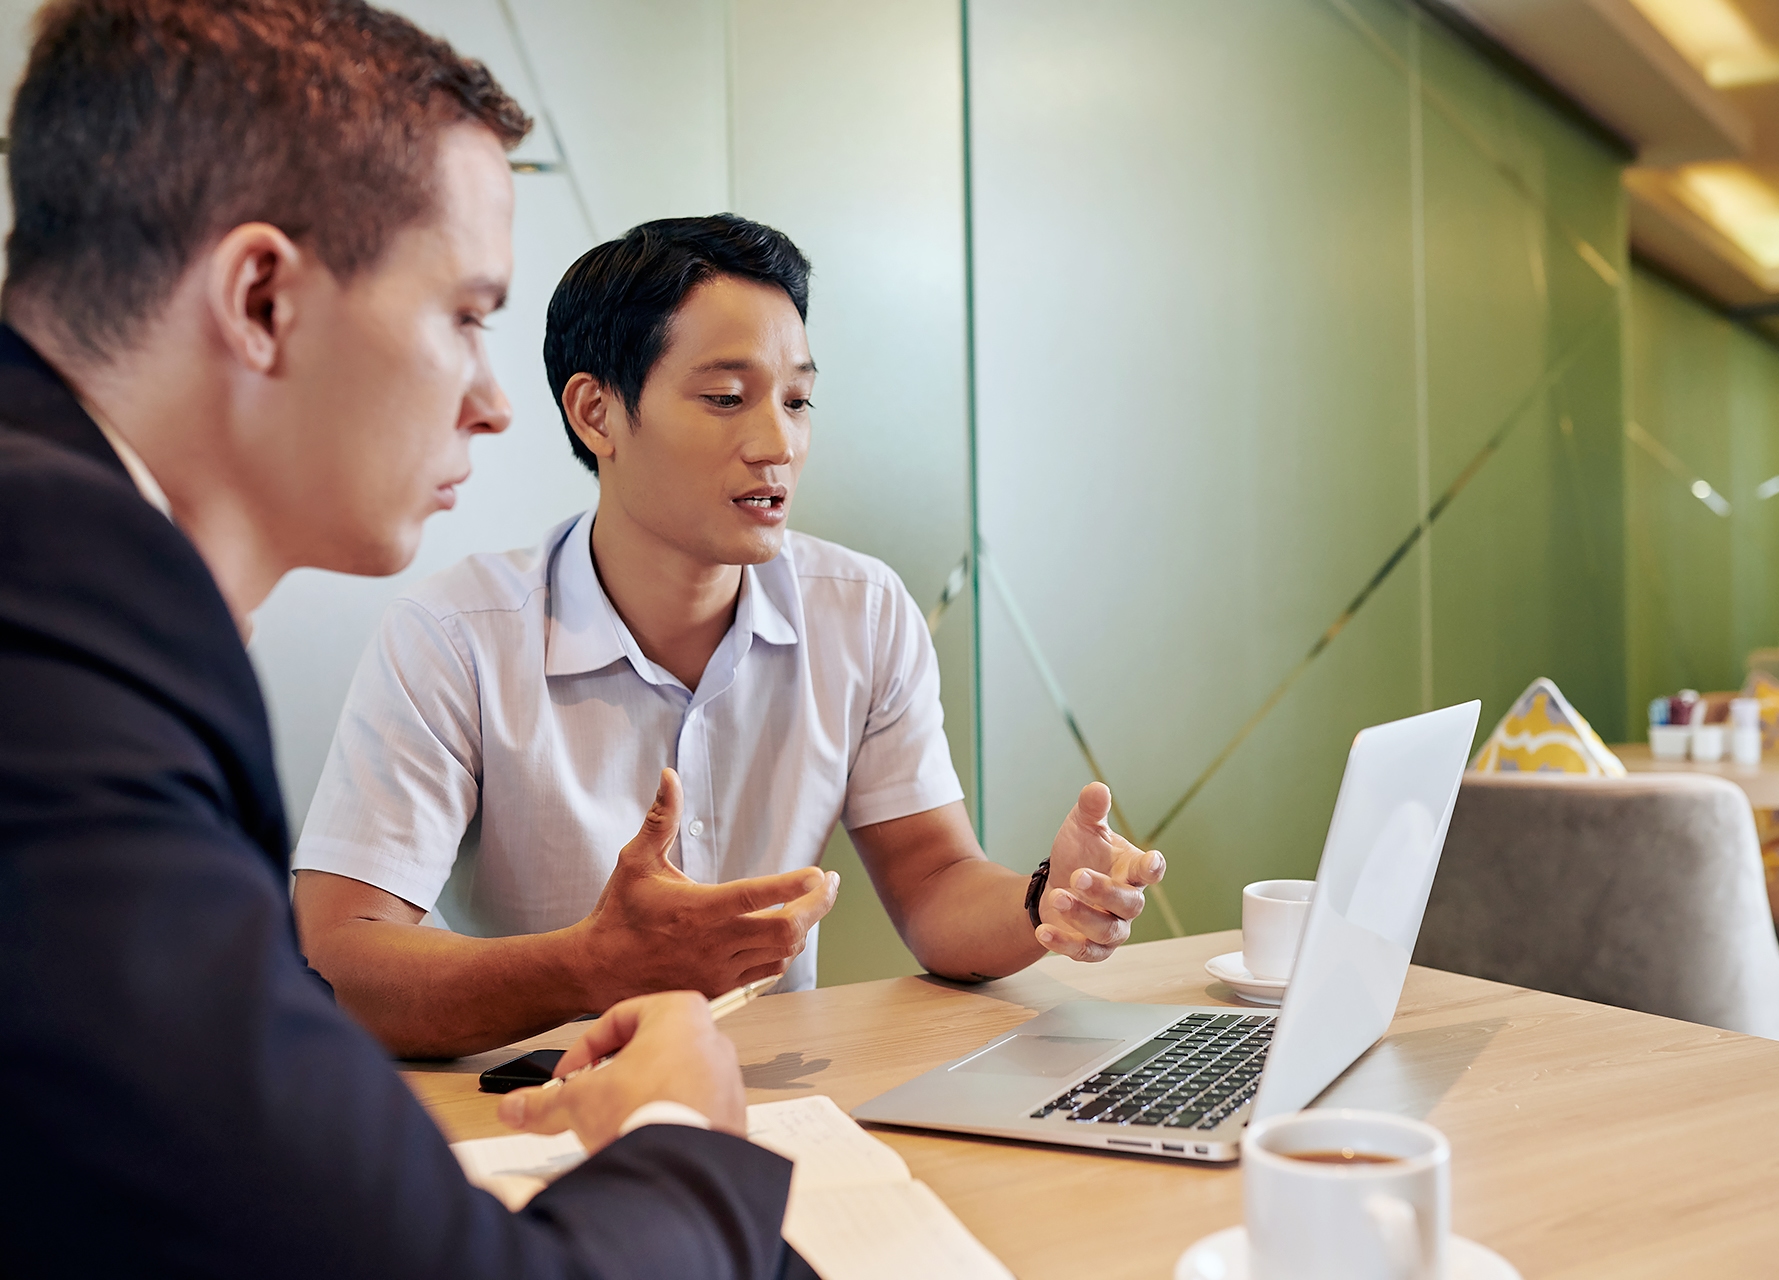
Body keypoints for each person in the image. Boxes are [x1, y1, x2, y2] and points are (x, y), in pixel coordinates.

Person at [0, 2, 804, 1275]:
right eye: (467, 316)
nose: (494, 404)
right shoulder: (57, 631)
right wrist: (682, 1135)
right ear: (261, 297)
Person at [290, 215, 1172, 1059]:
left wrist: (1041, 899)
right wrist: (589, 966)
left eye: (799, 399)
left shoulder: (860, 611)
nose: (777, 442)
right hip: (534, 1118)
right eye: (725, 398)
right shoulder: (455, 638)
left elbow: (937, 882)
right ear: (596, 413)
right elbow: (340, 960)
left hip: (781, 1104)